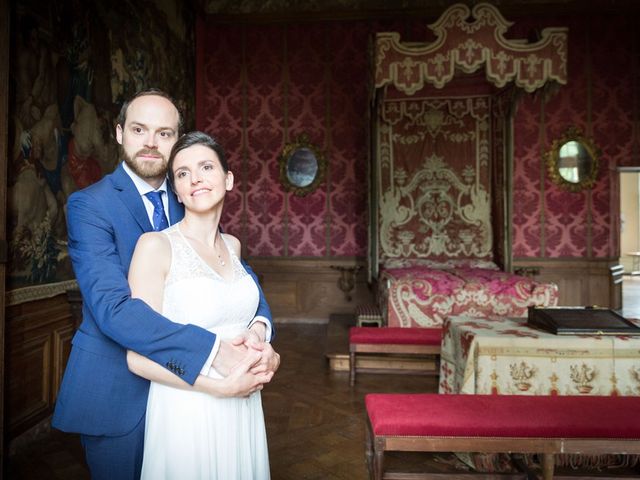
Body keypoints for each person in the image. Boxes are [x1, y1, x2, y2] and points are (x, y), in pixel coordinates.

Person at [52, 89, 280, 480]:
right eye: (140, 129)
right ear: (120, 133)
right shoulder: (90, 205)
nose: (151, 143)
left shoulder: (191, 192)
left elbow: (236, 279)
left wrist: (260, 331)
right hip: (118, 392)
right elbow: (115, 309)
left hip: (199, 403)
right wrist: (213, 352)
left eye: (165, 133)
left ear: (177, 141)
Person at [127, 130, 272, 479]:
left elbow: (242, 316)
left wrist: (261, 340)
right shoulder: (155, 246)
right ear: (176, 189)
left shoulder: (233, 246)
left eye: (206, 167)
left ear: (228, 178)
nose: (195, 179)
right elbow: (137, 358)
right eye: (182, 173)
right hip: (187, 407)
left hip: (244, 405)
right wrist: (219, 387)